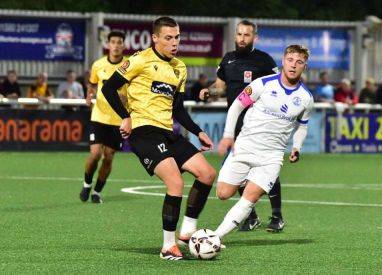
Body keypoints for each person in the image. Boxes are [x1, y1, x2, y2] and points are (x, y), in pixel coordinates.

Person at [101, 17, 216, 260]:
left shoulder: (180, 68)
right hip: (143, 131)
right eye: (168, 38)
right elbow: (108, 88)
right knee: (175, 183)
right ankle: (167, 246)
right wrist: (126, 117)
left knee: (207, 174)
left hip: (167, 132)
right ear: (155, 38)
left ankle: (187, 232)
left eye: (177, 38)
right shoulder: (139, 60)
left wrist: (198, 131)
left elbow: (179, 109)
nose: (174, 43)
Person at [214, 45, 313, 241]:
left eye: (299, 62)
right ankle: (247, 176)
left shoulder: (306, 98)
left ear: (304, 66)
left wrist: (296, 147)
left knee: (249, 198)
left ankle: (215, 237)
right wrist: (228, 135)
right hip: (245, 146)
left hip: (272, 156)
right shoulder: (262, 83)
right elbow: (236, 106)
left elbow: (302, 125)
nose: (294, 65)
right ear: (283, 61)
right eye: (290, 60)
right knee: (223, 193)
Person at [200, 19, 284, 232]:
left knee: (266, 168)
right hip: (236, 125)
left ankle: (276, 216)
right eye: (239, 34)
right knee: (237, 170)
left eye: (247, 35)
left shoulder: (264, 61)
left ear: (254, 37)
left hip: (259, 126)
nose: (242, 38)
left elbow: (277, 89)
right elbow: (220, 87)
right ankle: (252, 216)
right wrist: (209, 91)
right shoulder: (228, 60)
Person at [79, 31, 129, 204]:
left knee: (108, 157)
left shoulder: (129, 66)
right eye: (113, 42)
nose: (116, 45)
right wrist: (89, 94)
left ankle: (97, 192)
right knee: (95, 154)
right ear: (108, 44)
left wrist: (127, 97)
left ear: (123, 45)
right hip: (98, 115)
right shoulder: (98, 65)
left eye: (119, 42)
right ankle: (87, 184)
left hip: (118, 119)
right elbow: (92, 83)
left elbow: (135, 89)